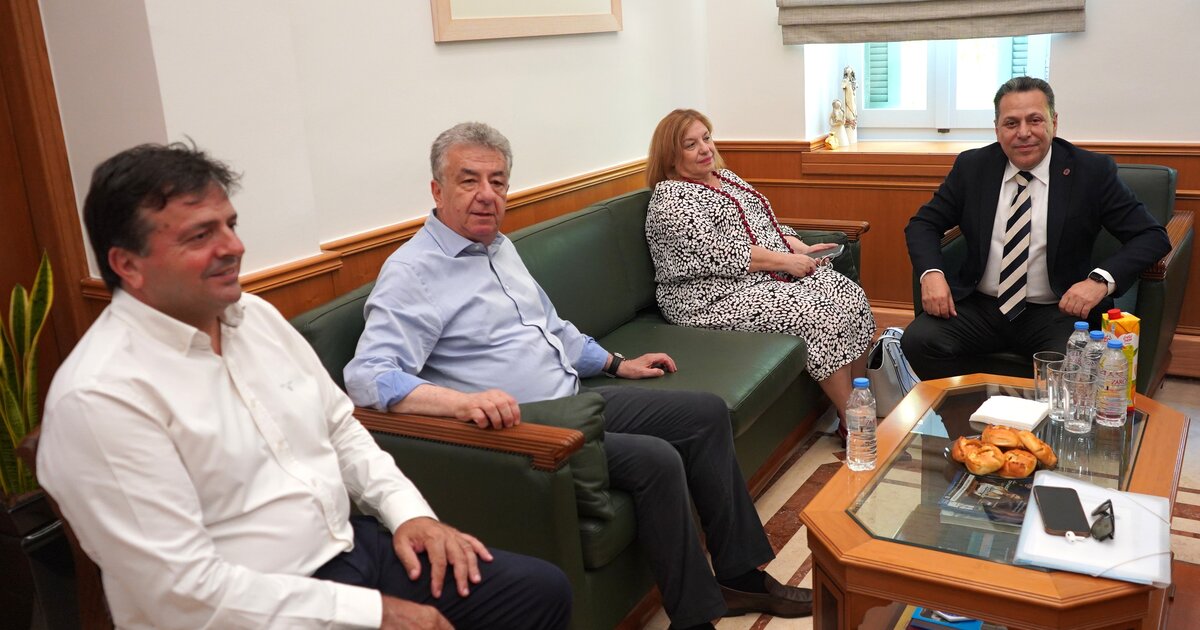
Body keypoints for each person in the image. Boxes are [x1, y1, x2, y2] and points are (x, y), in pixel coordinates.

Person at [36, 142, 571, 630]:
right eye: (200, 236)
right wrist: (376, 614)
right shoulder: (101, 397)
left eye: (230, 225)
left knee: (538, 592)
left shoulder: (255, 318)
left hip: (350, 548)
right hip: (248, 607)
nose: (233, 247)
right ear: (127, 264)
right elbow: (184, 594)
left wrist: (409, 513)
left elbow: (341, 428)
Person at [344, 122, 814, 630]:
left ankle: (741, 577)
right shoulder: (413, 272)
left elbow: (551, 328)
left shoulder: (498, 247)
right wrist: (460, 404)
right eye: (469, 180)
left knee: (704, 412)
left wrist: (615, 363)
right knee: (656, 459)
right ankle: (696, 620)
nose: (486, 195)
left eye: (497, 182)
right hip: (525, 427)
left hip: (574, 397)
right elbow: (369, 376)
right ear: (437, 190)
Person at [903, 77, 1171, 379]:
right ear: (997, 129)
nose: (1023, 133)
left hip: (1057, 310)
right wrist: (932, 274)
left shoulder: (1091, 172)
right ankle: (973, 405)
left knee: (1072, 365)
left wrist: (1099, 282)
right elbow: (924, 223)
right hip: (981, 307)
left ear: (1054, 123)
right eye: (1011, 123)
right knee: (918, 341)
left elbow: (1151, 236)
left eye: (1035, 120)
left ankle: (1036, 411)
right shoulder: (973, 167)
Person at [643, 108, 875, 438]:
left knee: (848, 294)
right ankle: (853, 422)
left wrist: (799, 247)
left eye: (706, 138)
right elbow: (722, 252)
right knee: (818, 315)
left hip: (758, 277)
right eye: (691, 145)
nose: (705, 149)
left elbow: (764, 225)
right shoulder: (670, 199)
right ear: (669, 156)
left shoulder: (725, 178)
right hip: (710, 298)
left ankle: (859, 400)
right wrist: (786, 262)